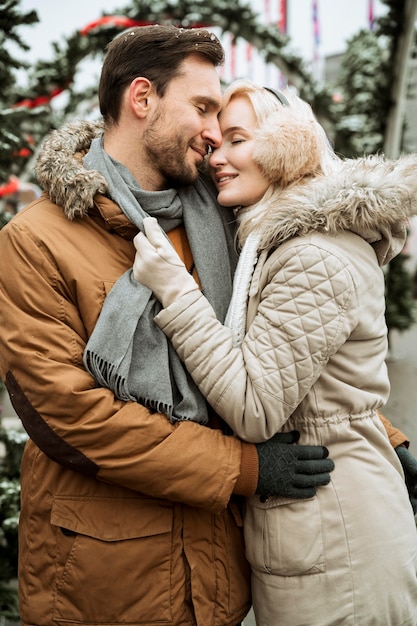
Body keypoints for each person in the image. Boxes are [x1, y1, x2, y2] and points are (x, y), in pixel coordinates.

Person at [0, 27, 337, 626]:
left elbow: (282, 347)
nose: (214, 132)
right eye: (202, 107)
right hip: (102, 584)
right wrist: (244, 469)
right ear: (142, 99)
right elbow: (71, 419)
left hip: (216, 579)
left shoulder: (221, 219)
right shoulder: (33, 242)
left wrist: (378, 434)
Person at [132, 79, 417, 625]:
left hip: (338, 536)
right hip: (316, 528)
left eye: (238, 139)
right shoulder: (275, 243)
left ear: (289, 147)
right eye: (215, 145)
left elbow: (255, 409)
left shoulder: (314, 255)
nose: (219, 158)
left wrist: (176, 290)